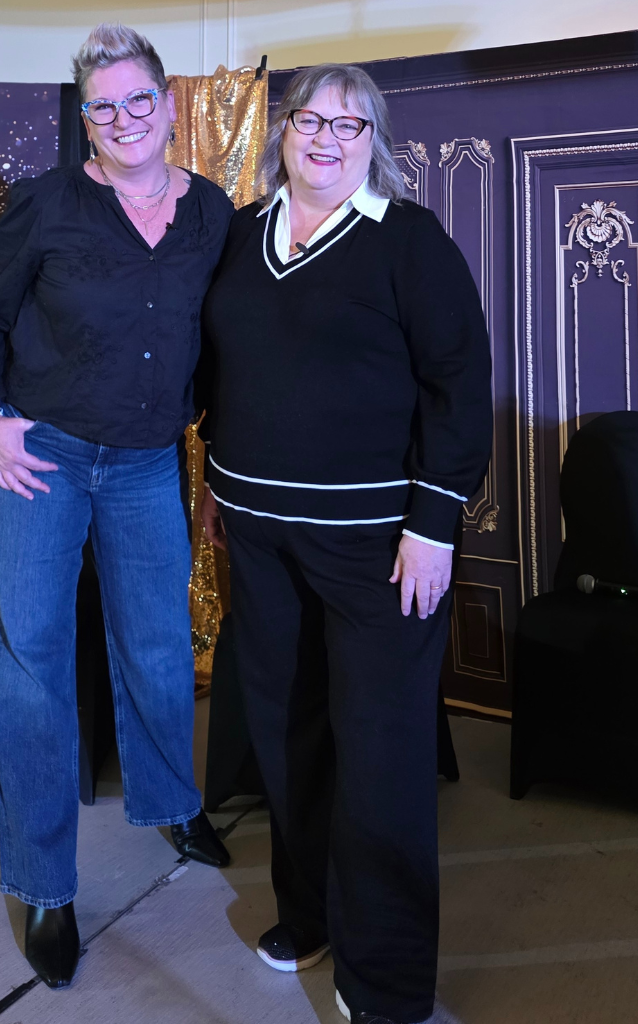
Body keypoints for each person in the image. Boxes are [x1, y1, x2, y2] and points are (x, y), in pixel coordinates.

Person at [0, 23, 233, 990]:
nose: (123, 118)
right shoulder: (46, 203)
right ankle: (46, 887)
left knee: (159, 646)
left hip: (148, 462)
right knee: (32, 665)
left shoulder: (211, 212)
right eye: (103, 106)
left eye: (138, 99)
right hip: (44, 458)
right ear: (87, 120)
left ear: (168, 105)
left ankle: (172, 803)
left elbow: (225, 341)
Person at [200, 63, 492, 1024]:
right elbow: (224, 368)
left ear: (374, 141)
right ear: (282, 131)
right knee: (290, 736)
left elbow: (459, 384)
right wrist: (218, 489)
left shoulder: (407, 239)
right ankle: (311, 914)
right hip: (259, 535)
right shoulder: (241, 232)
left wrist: (434, 523)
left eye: (348, 124)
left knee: (381, 756)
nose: (325, 138)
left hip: (380, 548)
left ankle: (388, 982)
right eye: (309, 119)